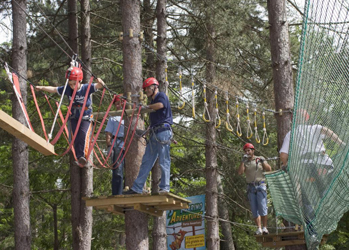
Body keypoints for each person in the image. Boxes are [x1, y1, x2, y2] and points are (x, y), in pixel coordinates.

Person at [279, 109, 345, 238]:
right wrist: (342, 145)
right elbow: (328, 131)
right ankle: (326, 216)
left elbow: (283, 155)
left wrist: (286, 165)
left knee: (307, 199)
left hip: (306, 168)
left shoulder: (291, 134)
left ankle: (313, 228)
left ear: (293, 120)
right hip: (323, 164)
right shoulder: (316, 128)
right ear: (307, 118)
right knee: (324, 192)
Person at [36, 66, 106, 166]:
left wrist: (100, 82)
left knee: (83, 135)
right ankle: (79, 157)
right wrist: (42, 88)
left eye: (74, 84)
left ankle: (83, 156)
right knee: (75, 138)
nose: (72, 86)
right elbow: (54, 89)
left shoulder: (86, 88)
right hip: (74, 117)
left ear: (80, 81)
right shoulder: (68, 89)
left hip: (86, 117)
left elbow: (99, 86)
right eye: (70, 84)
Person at [123, 77, 173, 195]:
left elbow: (160, 105)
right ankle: (137, 188)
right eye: (145, 89)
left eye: (148, 89)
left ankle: (165, 188)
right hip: (155, 133)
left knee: (164, 160)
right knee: (146, 161)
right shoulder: (152, 102)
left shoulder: (161, 96)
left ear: (155, 87)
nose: (146, 91)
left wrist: (148, 107)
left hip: (163, 131)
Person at [238, 143, 272, 235]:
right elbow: (240, 172)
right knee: (254, 209)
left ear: (253, 151)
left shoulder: (259, 159)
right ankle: (259, 228)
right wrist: (242, 161)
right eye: (245, 151)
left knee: (262, 207)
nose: (247, 152)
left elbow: (269, 169)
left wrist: (263, 161)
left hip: (260, 186)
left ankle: (265, 228)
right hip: (251, 187)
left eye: (249, 150)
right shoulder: (245, 162)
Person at [105, 95, 125, 195]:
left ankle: (127, 191)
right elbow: (108, 133)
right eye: (116, 104)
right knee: (118, 171)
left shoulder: (129, 115)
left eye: (119, 103)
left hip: (128, 145)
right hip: (117, 145)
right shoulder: (113, 117)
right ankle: (117, 194)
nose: (118, 106)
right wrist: (109, 146)